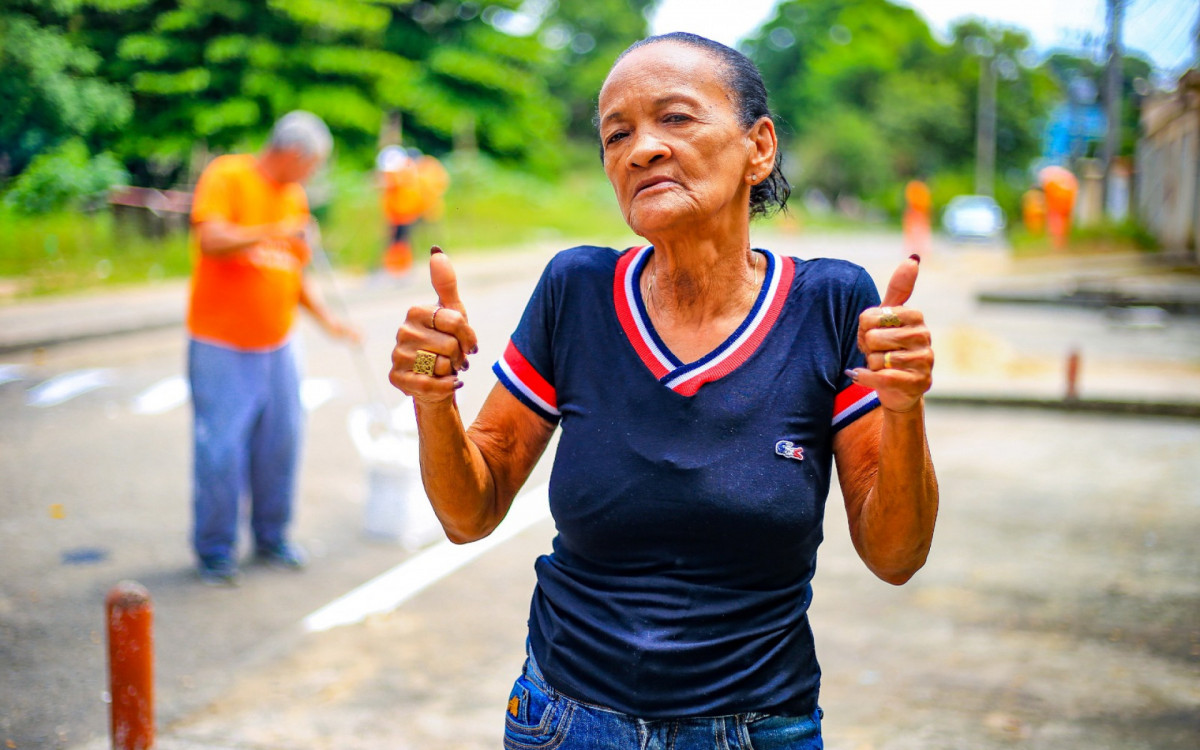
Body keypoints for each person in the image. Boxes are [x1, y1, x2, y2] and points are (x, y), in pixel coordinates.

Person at [388, 33, 938, 748]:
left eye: (675, 118)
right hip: (564, 721)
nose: (641, 148)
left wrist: (904, 410)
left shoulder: (831, 304)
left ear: (759, 148)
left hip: (758, 728)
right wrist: (434, 403)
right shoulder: (576, 291)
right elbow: (471, 511)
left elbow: (895, 557)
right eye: (617, 134)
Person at [187, 110, 359, 586]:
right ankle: (215, 550)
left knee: (280, 443)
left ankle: (272, 537)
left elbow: (293, 271)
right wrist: (272, 230)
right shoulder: (229, 175)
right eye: (312, 165)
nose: (312, 176)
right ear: (291, 153)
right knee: (220, 450)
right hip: (221, 342)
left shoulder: (295, 196)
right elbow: (211, 237)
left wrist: (330, 322)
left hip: (278, 342)